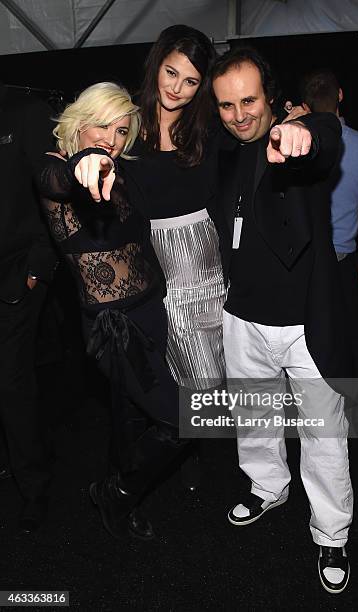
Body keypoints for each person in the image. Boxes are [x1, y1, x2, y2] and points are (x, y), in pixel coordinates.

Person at [211, 47, 353, 594]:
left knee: (324, 434)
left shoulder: (292, 140)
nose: (240, 114)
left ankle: (331, 530)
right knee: (254, 419)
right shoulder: (222, 153)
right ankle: (267, 487)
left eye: (249, 100)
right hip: (242, 318)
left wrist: (307, 132)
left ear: (271, 97)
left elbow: (326, 137)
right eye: (227, 105)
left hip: (305, 324)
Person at [38, 82, 189, 540]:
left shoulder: (123, 170)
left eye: (121, 131)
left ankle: (120, 501)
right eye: (102, 125)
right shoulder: (55, 168)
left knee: (137, 416)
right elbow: (59, 180)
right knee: (182, 419)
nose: (112, 138)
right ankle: (117, 492)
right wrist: (84, 162)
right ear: (78, 124)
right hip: (113, 327)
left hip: (151, 310)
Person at [134, 25, 225, 390]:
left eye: (190, 81)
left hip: (208, 264)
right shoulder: (125, 124)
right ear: (157, 63)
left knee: (216, 369)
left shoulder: (209, 129)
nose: (176, 88)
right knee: (184, 377)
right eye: (171, 73)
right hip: (154, 266)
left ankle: (208, 440)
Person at [289, 69, 358, 376]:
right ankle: (356, 402)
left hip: (304, 260)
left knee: (304, 338)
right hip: (342, 259)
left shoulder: (293, 146)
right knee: (348, 335)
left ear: (306, 103)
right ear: (340, 95)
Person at [0, 81, 57, 533]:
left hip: (15, 275)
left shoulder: (24, 109)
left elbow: (51, 192)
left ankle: (34, 487)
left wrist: (37, 265)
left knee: (12, 381)